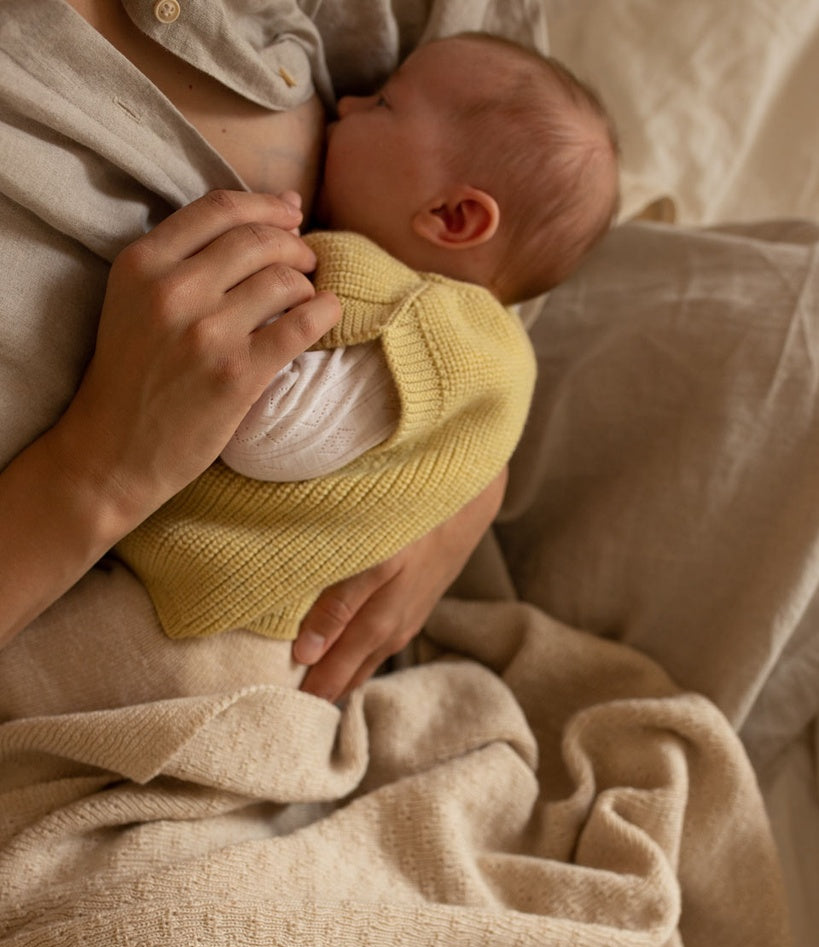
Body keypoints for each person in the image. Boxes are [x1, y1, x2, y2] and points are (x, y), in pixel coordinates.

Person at [0, 1, 547, 704]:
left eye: (378, 101)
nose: (347, 102)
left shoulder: (403, 295)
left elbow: (525, 226)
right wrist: (99, 472)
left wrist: (466, 470)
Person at [113, 33, 621, 657]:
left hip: (217, 634)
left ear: (452, 216)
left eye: (383, 103)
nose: (346, 103)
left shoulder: (426, 326)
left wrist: (248, 298)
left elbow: (264, 437)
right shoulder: (426, 312)